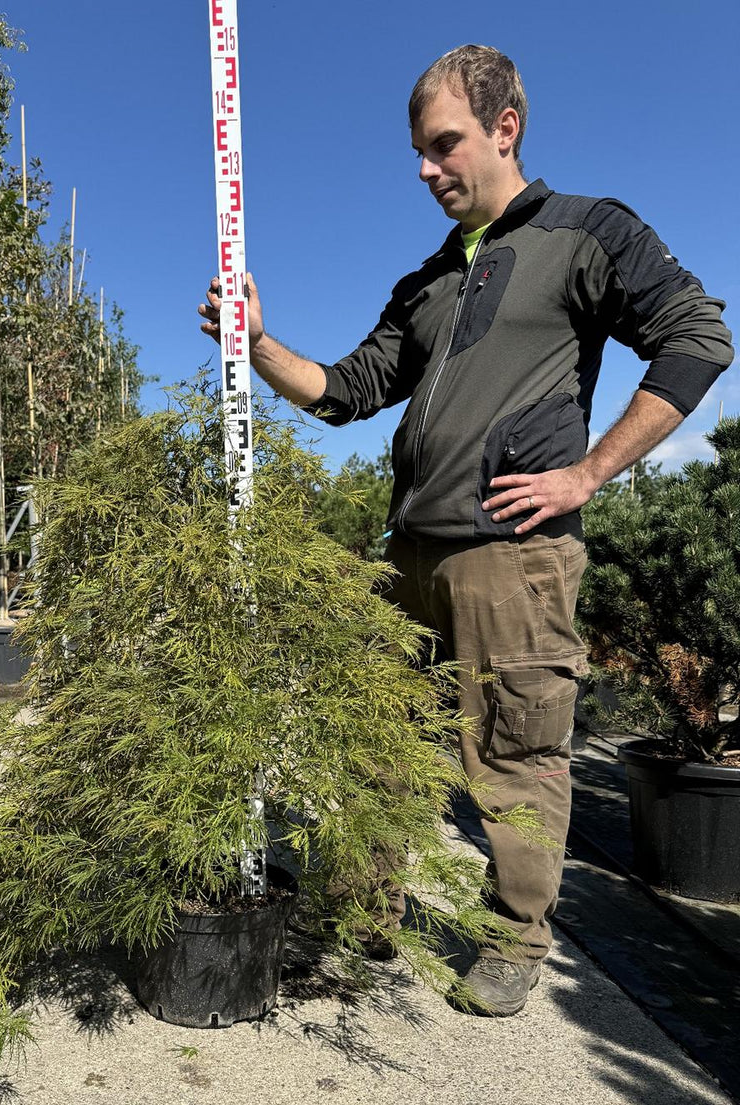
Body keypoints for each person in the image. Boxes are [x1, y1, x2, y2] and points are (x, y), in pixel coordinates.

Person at [197, 45, 734, 1016]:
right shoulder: (429, 282)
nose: (423, 168)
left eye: (441, 144)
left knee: (514, 751)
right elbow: (346, 392)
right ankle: (366, 909)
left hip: (512, 559)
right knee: (373, 740)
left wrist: (586, 472)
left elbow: (698, 338)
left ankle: (512, 937)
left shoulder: (585, 234)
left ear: (503, 127)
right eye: (417, 151)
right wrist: (259, 343)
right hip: (406, 555)